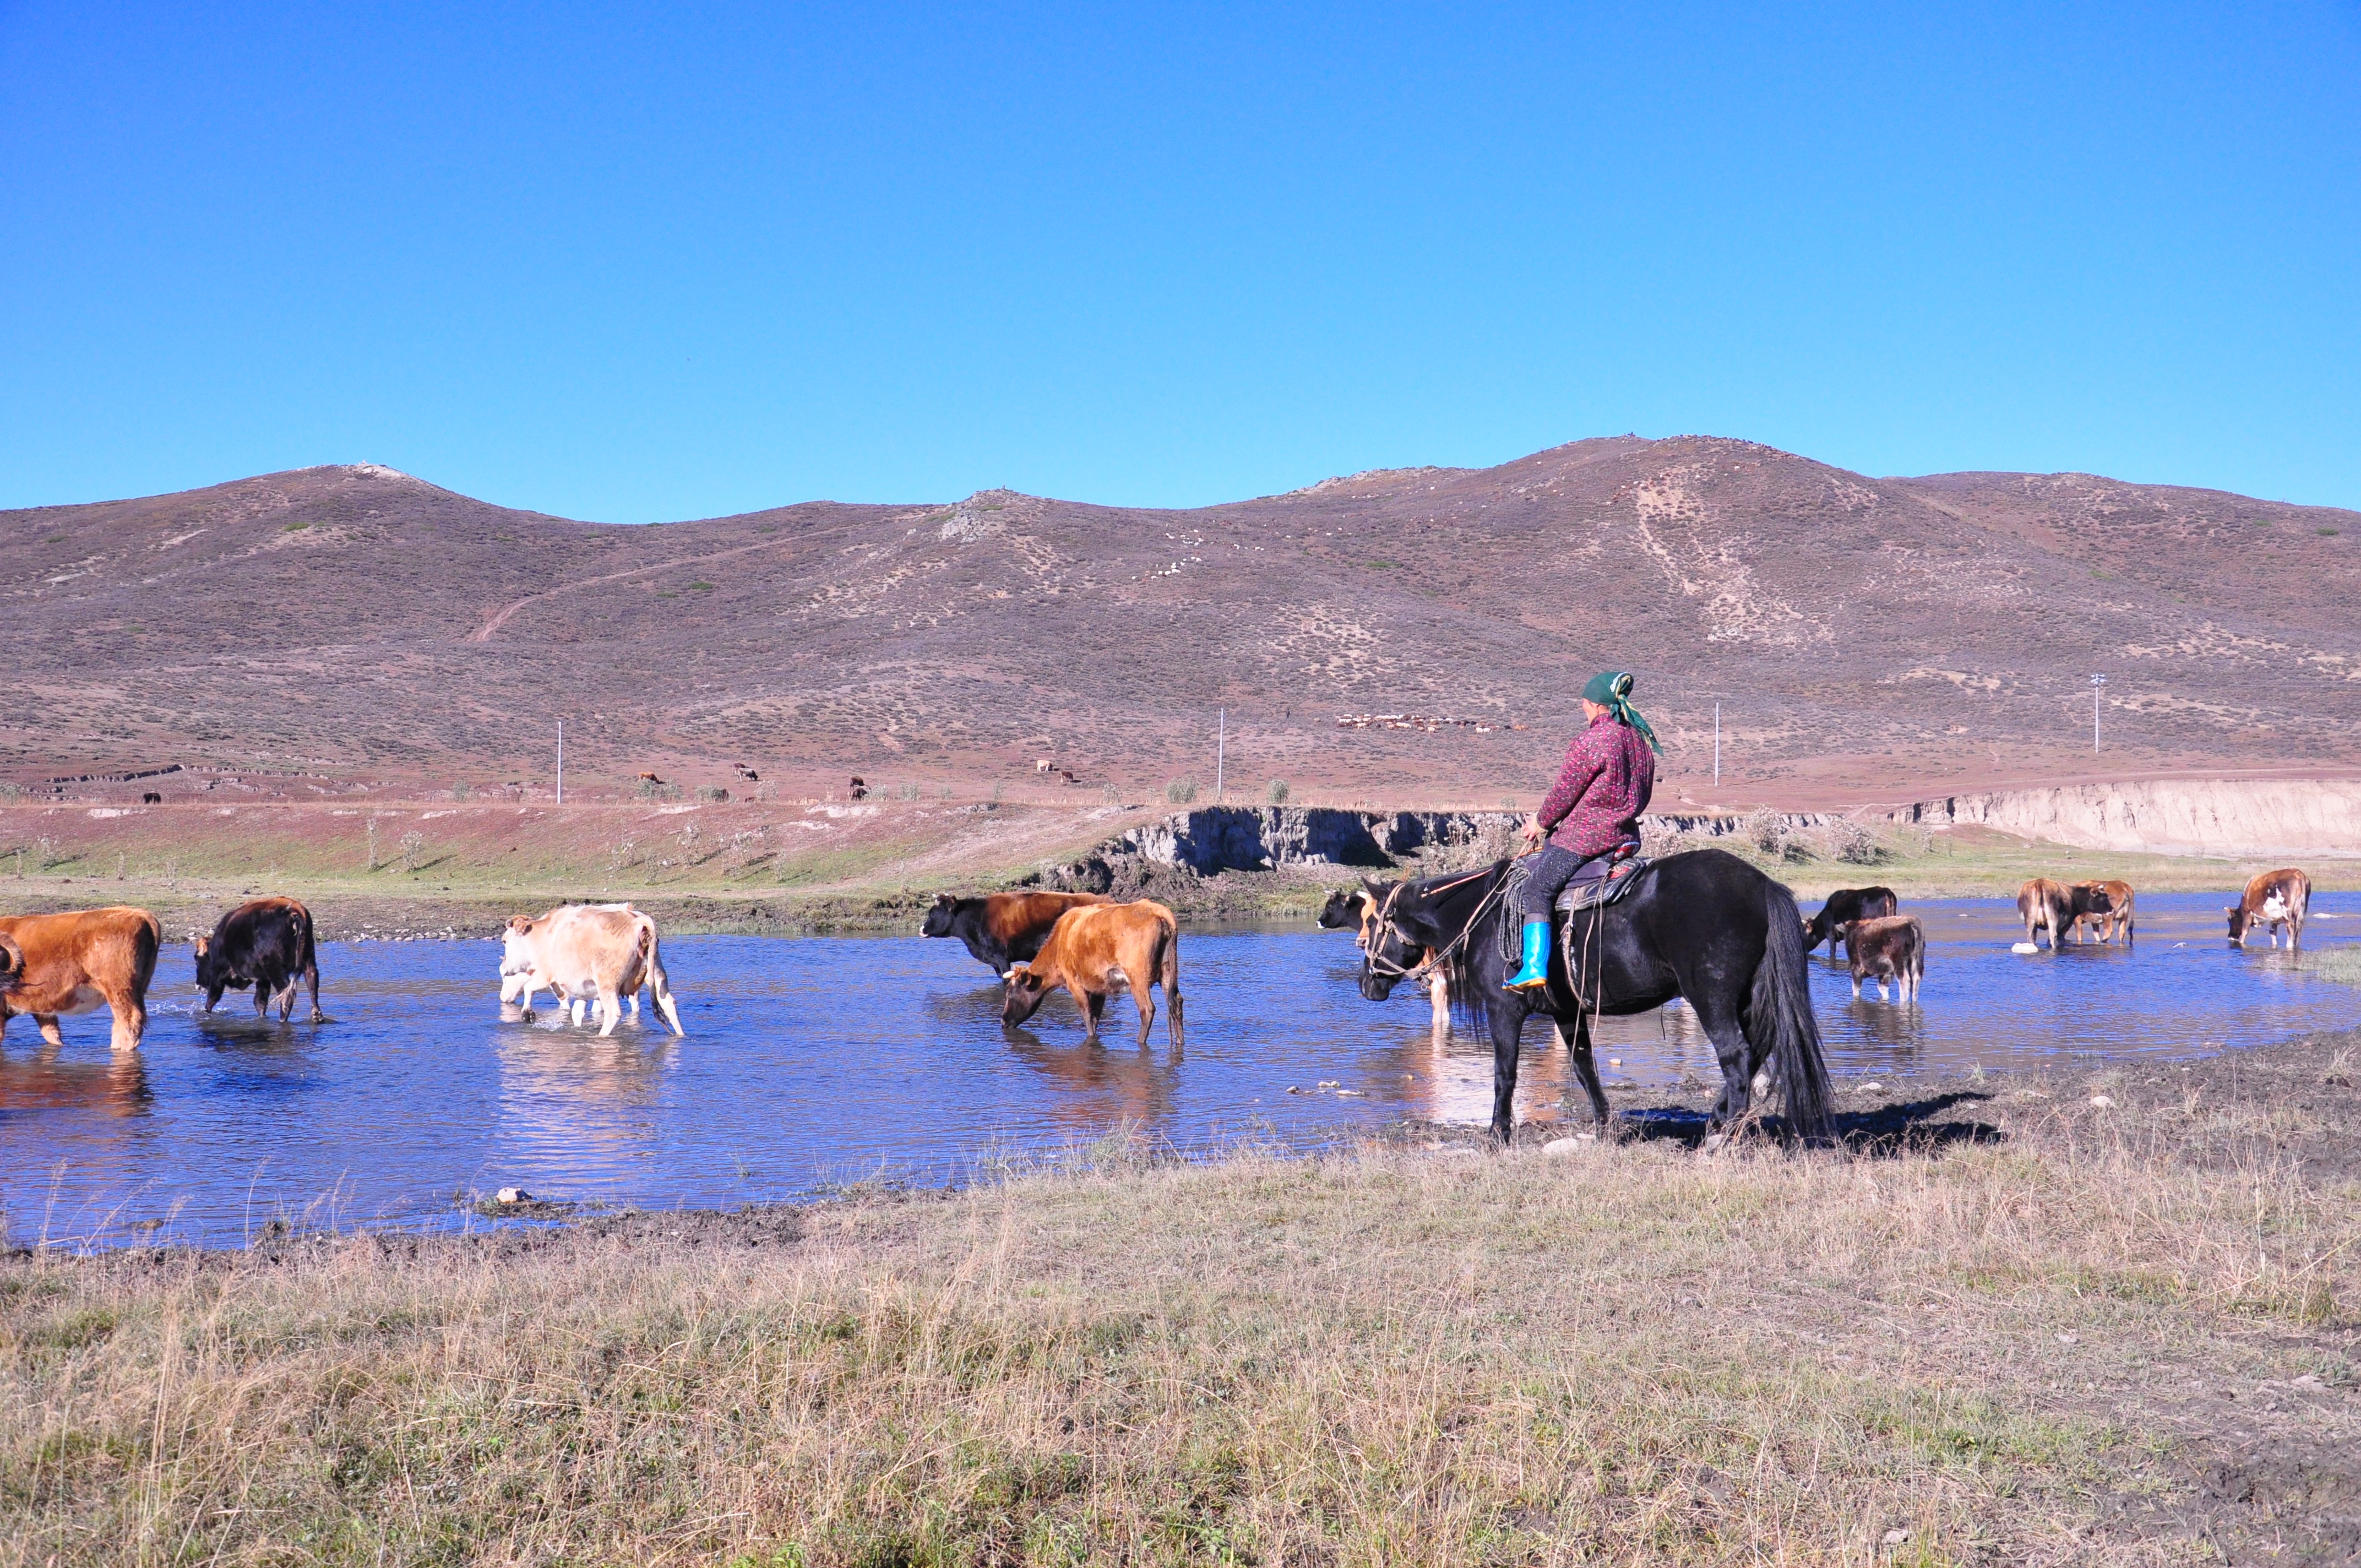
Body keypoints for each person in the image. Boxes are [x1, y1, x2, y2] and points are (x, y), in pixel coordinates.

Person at [1504, 671, 1661, 990]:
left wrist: (1540, 823)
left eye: (1585, 704)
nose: (1583, 708)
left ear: (1593, 704)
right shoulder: (1639, 741)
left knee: (1538, 888)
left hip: (1584, 839)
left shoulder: (1592, 740)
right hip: (1625, 836)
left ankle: (1534, 966)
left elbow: (1565, 792)